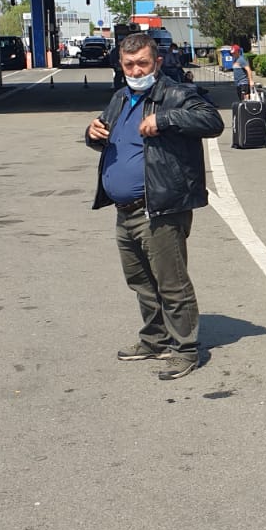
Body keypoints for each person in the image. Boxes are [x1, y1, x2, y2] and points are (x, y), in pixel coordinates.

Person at [85, 33, 224, 381]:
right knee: (140, 281)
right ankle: (155, 339)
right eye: (129, 64)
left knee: (171, 282)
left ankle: (185, 349)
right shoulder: (120, 98)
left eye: (143, 63)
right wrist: (92, 133)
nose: (136, 71)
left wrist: (164, 120)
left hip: (159, 206)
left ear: (157, 62)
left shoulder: (176, 94)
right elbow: (108, 136)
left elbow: (212, 121)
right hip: (124, 209)